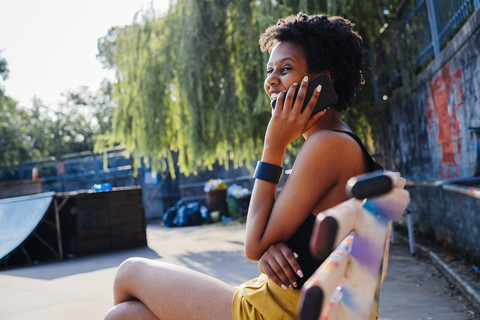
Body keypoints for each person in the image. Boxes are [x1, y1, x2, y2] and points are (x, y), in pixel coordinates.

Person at [104, 12, 380, 320]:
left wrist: (273, 148)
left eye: (285, 69)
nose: (271, 81)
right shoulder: (335, 141)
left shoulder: (327, 145)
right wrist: (269, 247)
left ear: (322, 82)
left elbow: (253, 242)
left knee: (129, 272)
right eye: (269, 70)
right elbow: (265, 237)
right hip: (283, 302)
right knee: (125, 315)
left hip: (281, 312)